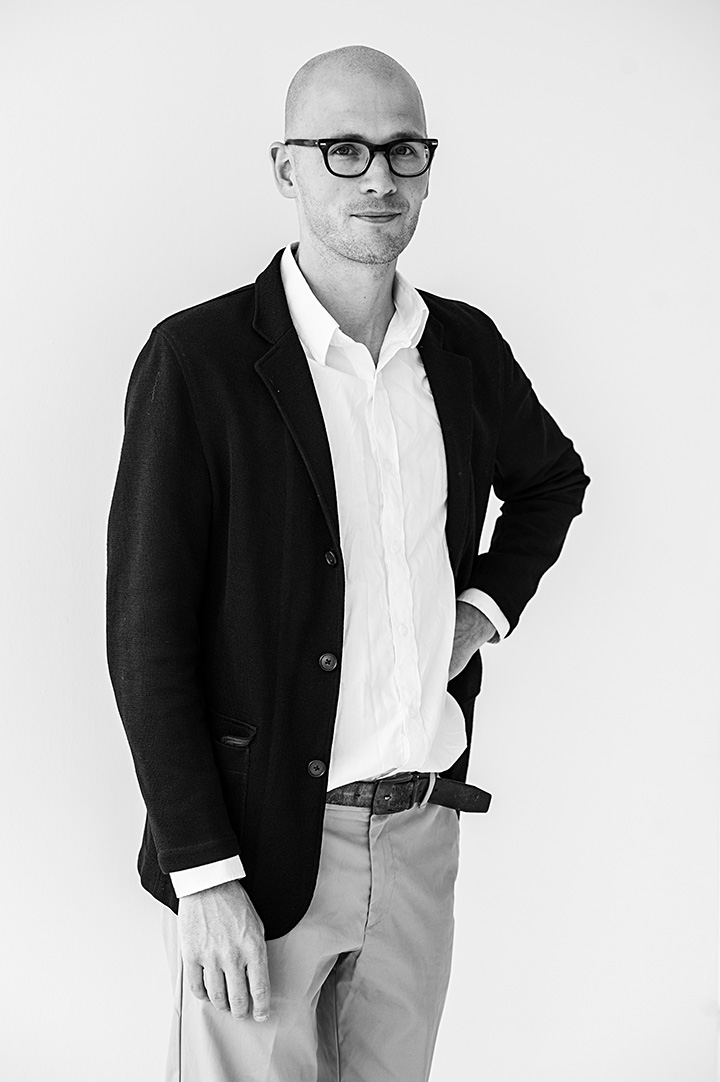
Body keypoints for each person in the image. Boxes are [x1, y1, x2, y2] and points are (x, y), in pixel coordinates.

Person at [107, 43, 589, 1082]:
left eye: (404, 150)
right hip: (259, 846)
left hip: (420, 833)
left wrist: (481, 610)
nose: (379, 176)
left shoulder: (463, 349)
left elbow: (553, 480)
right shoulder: (198, 361)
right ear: (286, 168)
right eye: (344, 149)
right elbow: (146, 639)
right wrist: (204, 874)